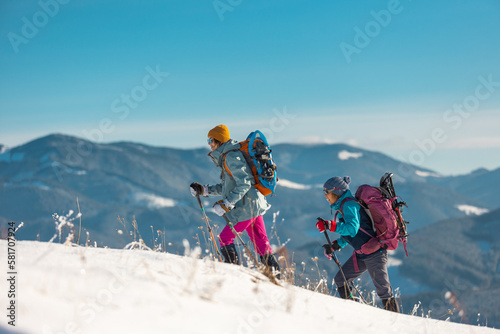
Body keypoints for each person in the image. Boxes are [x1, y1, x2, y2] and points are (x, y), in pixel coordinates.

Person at [189, 124, 280, 276]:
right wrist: (205, 190)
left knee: (225, 238)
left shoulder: (231, 156)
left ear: (219, 140)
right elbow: (229, 187)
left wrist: (227, 204)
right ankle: (276, 277)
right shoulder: (227, 155)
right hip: (253, 204)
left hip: (247, 207)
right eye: (208, 140)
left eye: (211, 140)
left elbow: (244, 183)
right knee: (261, 244)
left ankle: (233, 275)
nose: (209, 144)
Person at [315, 176, 399, 312]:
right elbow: (356, 231)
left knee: (384, 291)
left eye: (327, 192)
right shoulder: (343, 205)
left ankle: (397, 321)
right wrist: (336, 245)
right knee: (340, 280)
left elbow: (352, 229)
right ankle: (354, 312)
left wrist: (330, 225)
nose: (325, 196)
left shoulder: (349, 204)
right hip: (361, 254)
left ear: (337, 192)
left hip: (375, 254)